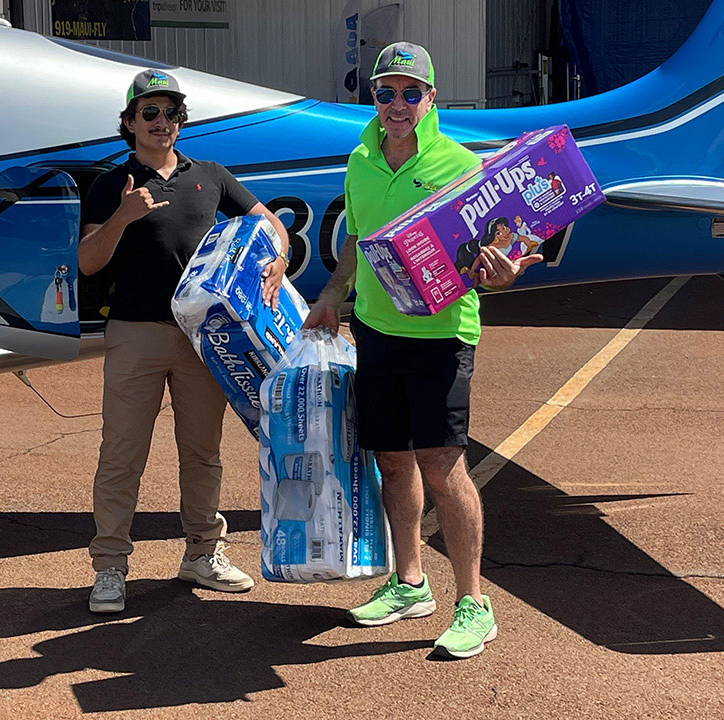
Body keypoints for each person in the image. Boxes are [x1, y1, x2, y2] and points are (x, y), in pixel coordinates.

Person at [302, 43, 542, 659]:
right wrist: (333, 293)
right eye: (386, 92)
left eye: (411, 92)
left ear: (431, 98)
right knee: (392, 461)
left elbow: (499, 255)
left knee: (441, 464)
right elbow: (356, 237)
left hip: (441, 336)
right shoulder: (360, 160)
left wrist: (502, 274)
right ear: (374, 98)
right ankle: (410, 583)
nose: (398, 104)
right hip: (377, 332)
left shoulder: (460, 164)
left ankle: (474, 603)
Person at [79, 69, 289, 613]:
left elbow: (269, 223)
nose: (163, 122)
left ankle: (202, 552)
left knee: (202, 453)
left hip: (203, 339)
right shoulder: (110, 185)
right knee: (122, 453)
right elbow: (87, 261)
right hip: (134, 334)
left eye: (172, 112)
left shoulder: (212, 176)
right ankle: (109, 568)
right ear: (129, 123)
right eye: (150, 113)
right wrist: (124, 215)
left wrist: (279, 258)